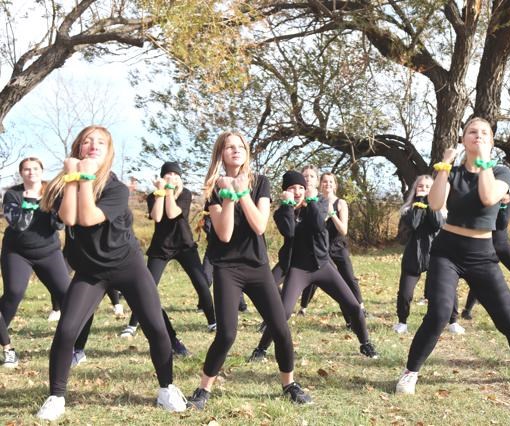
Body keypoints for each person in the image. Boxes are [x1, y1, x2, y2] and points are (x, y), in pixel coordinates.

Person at [395, 117, 510, 395]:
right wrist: (445, 168)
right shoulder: (454, 172)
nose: (479, 136)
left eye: (485, 133)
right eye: (472, 132)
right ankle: (410, 373)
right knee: (438, 313)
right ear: (463, 139)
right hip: (447, 252)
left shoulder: (501, 173)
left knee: (509, 317)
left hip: (482, 254)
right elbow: (435, 204)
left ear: (492, 141)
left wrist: (484, 161)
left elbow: (487, 197)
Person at [36, 126, 187, 421]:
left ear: (109, 151)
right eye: (87, 142)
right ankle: (56, 397)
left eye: (100, 142)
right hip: (90, 271)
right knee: (67, 331)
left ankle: (166, 388)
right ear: (78, 148)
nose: (93, 146)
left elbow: (90, 217)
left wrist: (84, 176)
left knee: (156, 328)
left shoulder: (115, 188)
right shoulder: (64, 184)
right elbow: (69, 217)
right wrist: (72, 179)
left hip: (128, 267)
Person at [187, 131, 311, 410]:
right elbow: (226, 233)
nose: (235, 150)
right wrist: (228, 193)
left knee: (280, 329)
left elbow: (258, 225)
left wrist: (242, 190)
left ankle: (289, 383)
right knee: (227, 334)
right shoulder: (213, 190)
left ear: (246, 151)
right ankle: (203, 389)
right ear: (220, 154)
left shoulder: (261, 183)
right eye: (228, 147)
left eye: (240, 146)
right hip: (227, 268)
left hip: (257, 267)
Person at [249, 170, 379, 362]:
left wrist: (311, 203)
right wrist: (287, 206)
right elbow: (289, 231)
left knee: (353, 305)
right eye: (292, 188)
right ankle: (261, 349)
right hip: (298, 269)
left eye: (301, 187)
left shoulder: (319, 203)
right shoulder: (281, 212)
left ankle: (365, 343)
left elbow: (319, 225)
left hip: (323, 266)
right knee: (282, 313)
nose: (298, 191)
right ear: (285, 191)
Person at [119, 162, 217, 356]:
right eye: (168, 174)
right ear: (162, 177)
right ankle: (132, 325)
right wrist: (161, 193)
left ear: (179, 178)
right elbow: (157, 216)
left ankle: (212, 321)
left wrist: (170, 191)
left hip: (184, 245)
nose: (171, 177)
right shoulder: (153, 196)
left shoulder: (186, 194)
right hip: (160, 247)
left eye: (175, 174)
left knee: (201, 283)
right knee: (147, 287)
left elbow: (172, 213)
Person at [0, 157, 89, 369]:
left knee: (68, 296)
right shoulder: (12, 194)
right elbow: (19, 224)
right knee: (14, 293)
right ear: (21, 173)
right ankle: (7, 348)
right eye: (26, 169)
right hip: (17, 252)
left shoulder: (52, 191)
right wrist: (31, 202)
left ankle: (75, 347)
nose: (31, 173)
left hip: (48, 252)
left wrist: (58, 206)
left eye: (35, 169)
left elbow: (58, 224)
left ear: (42, 170)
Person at [298, 172, 367, 329]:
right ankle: (303, 307)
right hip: (322, 247)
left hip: (338, 246)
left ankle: (360, 308)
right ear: (320, 184)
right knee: (314, 279)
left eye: (330, 182)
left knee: (349, 278)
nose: (327, 184)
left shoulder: (341, 203)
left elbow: (343, 230)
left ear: (335, 185)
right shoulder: (316, 201)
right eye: (324, 181)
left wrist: (332, 214)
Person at [392, 175, 458, 334]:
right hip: (413, 256)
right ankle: (402, 322)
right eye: (421, 186)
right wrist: (420, 203)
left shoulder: (442, 211)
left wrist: (430, 202)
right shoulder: (408, 210)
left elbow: (436, 223)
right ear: (415, 189)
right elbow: (413, 224)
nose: (424, 189)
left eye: (429, 187)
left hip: (437, 255)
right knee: (405, 293)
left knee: (448, 289)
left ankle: (453, 322)